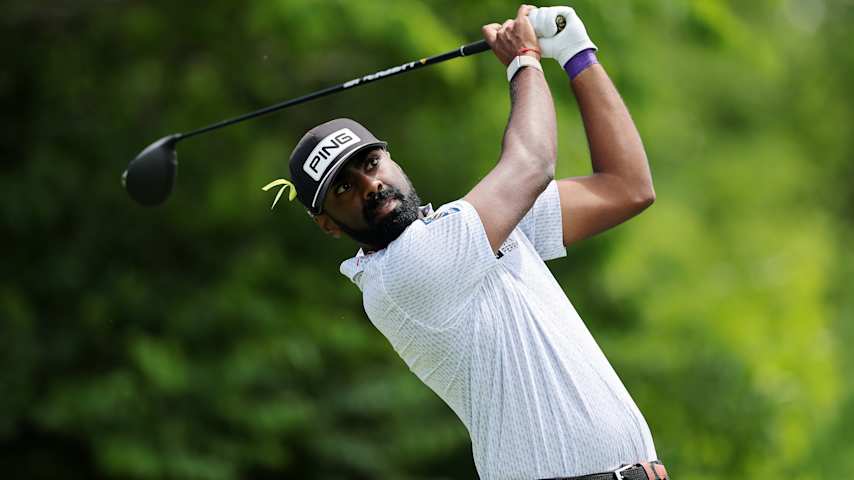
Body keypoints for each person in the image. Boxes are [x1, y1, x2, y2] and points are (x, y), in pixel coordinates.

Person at [273, 5, 666, 479]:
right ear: (328, 224)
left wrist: (577, 54)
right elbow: (532, 164)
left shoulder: (472, 232)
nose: (369, 186)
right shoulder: (404, 272)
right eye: (343, 188)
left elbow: (627, 187)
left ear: (392, 160)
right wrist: (525, 59)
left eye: (370, 164)